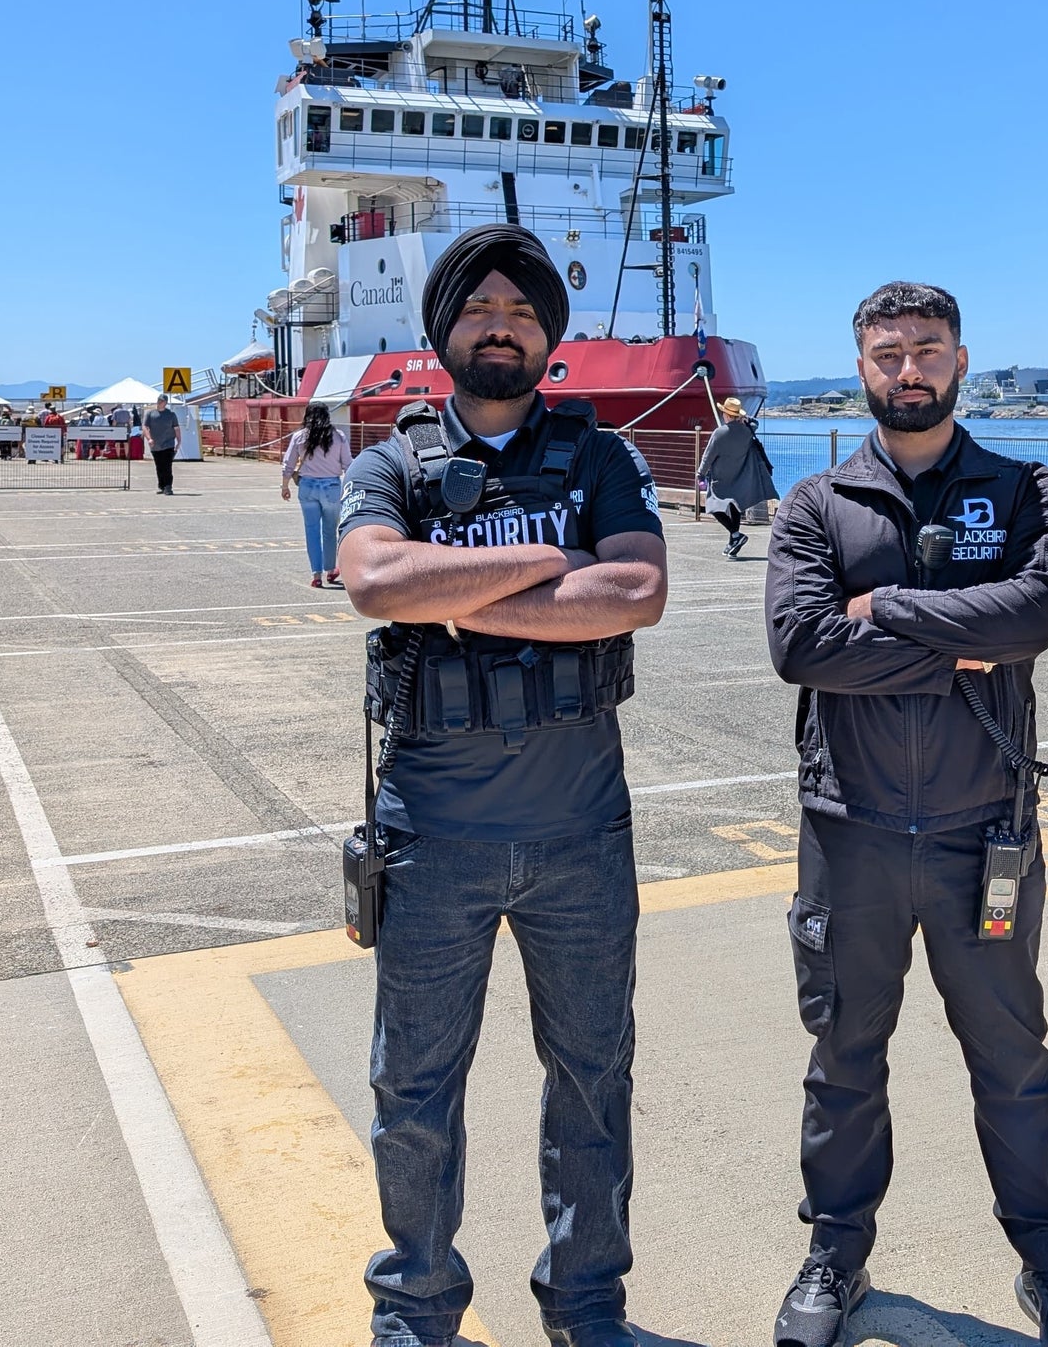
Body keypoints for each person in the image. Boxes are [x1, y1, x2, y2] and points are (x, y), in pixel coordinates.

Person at [336, 223, 668, 1347]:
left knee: (592, 1078)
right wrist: (543, 564)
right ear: (444, 334)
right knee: (413, 1093)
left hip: (583, 831)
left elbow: (637, 590)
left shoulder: (603, 457)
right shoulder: (391, 462)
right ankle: (417, 1312)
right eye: (481, 309)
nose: (501, 324)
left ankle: (585, 1305)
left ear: (547, 339)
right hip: (433, 835)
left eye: (523, 312)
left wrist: (459, 584)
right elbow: (376, 578)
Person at [764, 281, 1048, 1347]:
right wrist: (962, 633)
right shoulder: (816, 506)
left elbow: (1036, 613)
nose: (907, 369)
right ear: (858, 366)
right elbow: (800, 646)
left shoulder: (1022, 489)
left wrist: (887, 610)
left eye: (926, 349)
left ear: (960, 360)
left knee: (1013, 1057)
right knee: (843, 1058)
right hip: (851, 829)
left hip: (983, 832)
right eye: (886, 353)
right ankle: (835, 1251)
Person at [281, 401, 352, 588]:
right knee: (330, 531)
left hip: (307, 486)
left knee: (311, 531)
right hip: (331, 487)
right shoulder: (338, 436)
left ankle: (316, 574)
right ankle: (330, 570)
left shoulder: (299, 437)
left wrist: (285, 486)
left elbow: (288, 463)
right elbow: (348, 464)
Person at [697, 394, 777, 559]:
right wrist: (744, 418)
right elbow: (755, 423)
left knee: (713, 507)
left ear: (726, 414)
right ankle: (733, 541)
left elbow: (708, 456)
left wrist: (700, 474)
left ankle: (735, 535)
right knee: (734, 506)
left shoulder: (719, 433)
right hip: (739, 474)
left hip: (720, 477)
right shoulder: (747, 430)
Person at [143, 396, 180, 494]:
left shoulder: (171, 415)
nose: (159, 402)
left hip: (168, 444)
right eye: (158, 400)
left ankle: (168, 487)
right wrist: (149, 439)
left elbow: (176, 428)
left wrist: (179, 442)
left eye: (161, 401)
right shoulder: (150, 414)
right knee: (159, 466)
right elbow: (145, 427)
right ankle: (161, 486)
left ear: (166, 402)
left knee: (167, 466)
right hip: (155, 445)